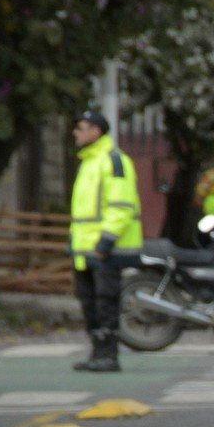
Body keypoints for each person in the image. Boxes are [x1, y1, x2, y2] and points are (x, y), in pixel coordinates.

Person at [68, 111, 141, 373]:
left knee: (105, 301)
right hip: (85, 250)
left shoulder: (113, 161)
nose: (76, 133)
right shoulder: (88, 162)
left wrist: (105, 243)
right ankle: (97, 352)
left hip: (105, 251)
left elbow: (121, 206)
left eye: (81, 128)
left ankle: (109, 354)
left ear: (95, 132)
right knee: (89, 302)